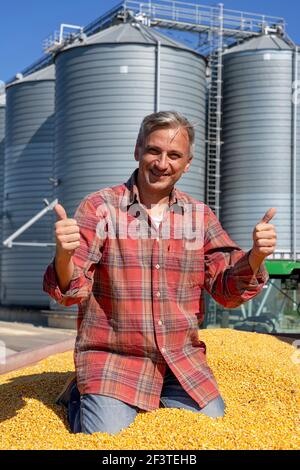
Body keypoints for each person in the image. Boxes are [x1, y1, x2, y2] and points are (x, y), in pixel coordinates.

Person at [43, 111, 277, 435]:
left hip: (179, 362)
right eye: (154, 151)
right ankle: (81, 395)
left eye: (174, 155)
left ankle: (135, 398)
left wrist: (255, 257)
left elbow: (226, 291)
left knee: (212, 431)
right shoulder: (100, 207)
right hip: (114, 359)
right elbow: (71, 291)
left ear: (188, 162)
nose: (162, 163)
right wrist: (64, 254)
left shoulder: (200, 216)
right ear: (137, 150)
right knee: (105, 438)